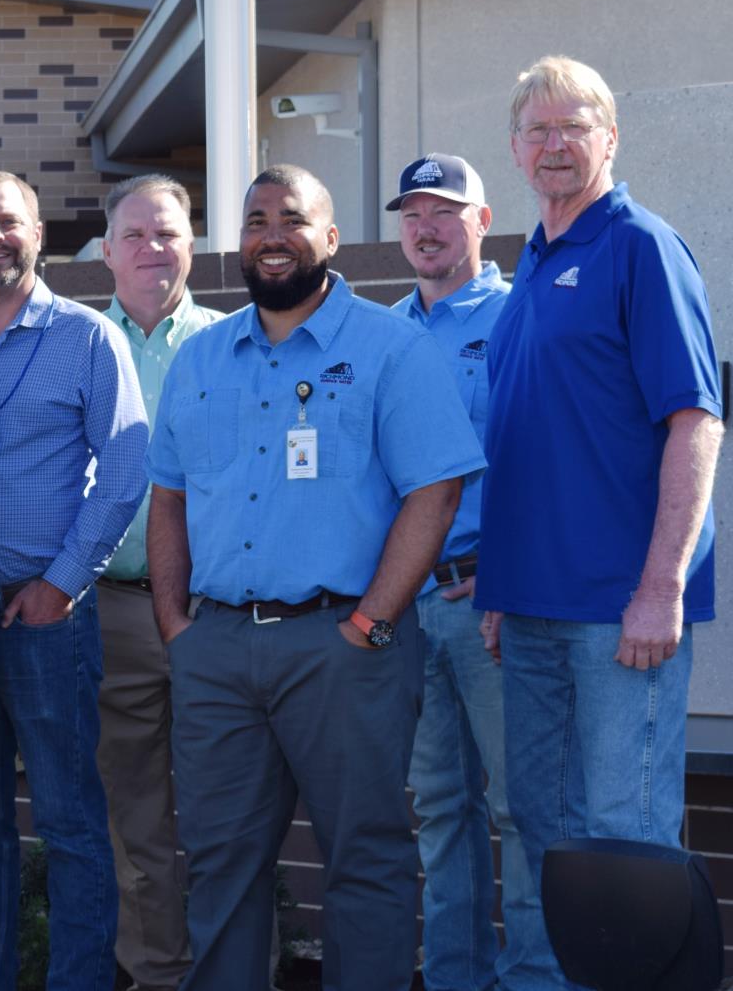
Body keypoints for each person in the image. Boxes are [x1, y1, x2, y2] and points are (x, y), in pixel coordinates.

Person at [146, 164, 484, 991]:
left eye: (292, 218)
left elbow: (435, 491)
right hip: (217, 649)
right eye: (255, 218)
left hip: (344, 649)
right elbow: (168, 495)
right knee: (222, 862)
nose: (270, 234)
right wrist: (176, 629)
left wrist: (369, 623)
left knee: (366, 858)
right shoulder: (200, 358)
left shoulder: (389, 347)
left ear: (331, 239)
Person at [479, 57, 722, 988]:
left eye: (573, 125)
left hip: (623, 620)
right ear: (513, 147)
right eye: (536, 129)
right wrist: (500, 587)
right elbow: (523, 439)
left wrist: (661, 586)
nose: (553, 144)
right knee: (543, 835)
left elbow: (695, 423)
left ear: (610, 137)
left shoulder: (641, 246)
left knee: (624, 839)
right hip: (529, 615)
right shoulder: (531, 266)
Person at [0, 170, 148, 991]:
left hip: (44, 624)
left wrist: (60, 583)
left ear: (38, 233)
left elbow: (126, 467)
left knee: (71, 824)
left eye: (8, 221)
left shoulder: (88, 338)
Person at [384, 154, 536, 991]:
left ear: (482, 222)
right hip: (411, 607)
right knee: (441, 812)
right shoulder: (382, 332)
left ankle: (535, 978)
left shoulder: (517, 318)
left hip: (490, 602)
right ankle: (455, 979)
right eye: (411, 213)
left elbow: (538, 459)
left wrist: (510, 577)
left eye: (445, 211)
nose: (426, 226)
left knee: (523, 811)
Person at [94, 174, 218, 991]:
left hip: (217, 617)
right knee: (135, 821)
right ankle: (157, 976)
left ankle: (236, 970)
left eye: (168, 233)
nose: (152, 248)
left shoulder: (233, 341)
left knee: (229, 817)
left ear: (193, 246)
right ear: (106, 251)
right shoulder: (72, 344)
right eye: (134, 235)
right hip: (111, 615)